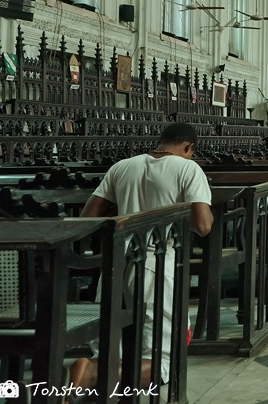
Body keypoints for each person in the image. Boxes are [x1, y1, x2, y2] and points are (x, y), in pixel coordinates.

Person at [69, 123, 214, 393]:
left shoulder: (123, 166)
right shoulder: (188, 168)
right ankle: (89, 375)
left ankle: (91, 373)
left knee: (113, 349)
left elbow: (87, 219)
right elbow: (203, 225)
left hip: (115, 264)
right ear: (188, 147)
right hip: (156, 267)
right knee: (163, 361)